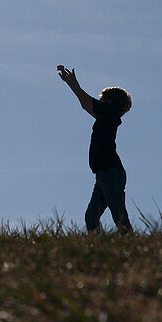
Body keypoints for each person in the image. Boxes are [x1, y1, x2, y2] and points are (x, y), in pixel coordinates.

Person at [57, 64, 133, 234]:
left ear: (111, 102)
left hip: (110, 171)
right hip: (104, 172)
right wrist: (72, 84)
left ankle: (130, 244)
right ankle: (100, 247)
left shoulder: (109, 112)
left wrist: (73, 84)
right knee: (91, 216)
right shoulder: (107, 116)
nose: (99, 102)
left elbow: (86, 102)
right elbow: (87, 105)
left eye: (102, 99)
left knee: (119, 215)